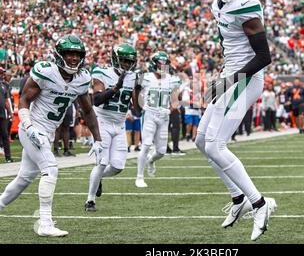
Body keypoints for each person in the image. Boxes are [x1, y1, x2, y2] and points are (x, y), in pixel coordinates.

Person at [195, 0, 276, 242]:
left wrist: (228, 79)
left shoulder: (246, 5)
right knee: (201, 142)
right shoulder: (218, 3)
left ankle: (259, 203)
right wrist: (224, 77)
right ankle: (238, 198)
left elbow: (264, 56)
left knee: (216, 145)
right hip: (231, 76)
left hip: (246, 77)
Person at [0, 34, 103, 237]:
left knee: (24, 178)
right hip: (32, 127)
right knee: (50, 168)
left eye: (77, 54)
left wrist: (98, 139)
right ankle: (45, 223)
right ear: (59, 55)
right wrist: (28, 126)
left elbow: (88, 110)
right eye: (69, 53)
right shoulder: (45, 72)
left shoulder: (82, 78)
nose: (73, 58)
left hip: (48, 131)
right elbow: (24, 100)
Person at [85, 44, 138, 211]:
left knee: (117, 167)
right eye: (123, 61)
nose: (126, 65)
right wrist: (116, 87)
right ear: (115, 59)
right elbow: (97, 99)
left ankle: (98, 178)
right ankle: (90, 200)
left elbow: (136, 104)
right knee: (101, 163)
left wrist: (141, 93)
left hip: (120, 124)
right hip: (102, 122)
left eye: (129, 62)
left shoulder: (134, 77)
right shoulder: (102, 73)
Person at [135, 51, 181, 188]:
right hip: (149, 114)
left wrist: (170, 109)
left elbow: (175, 100)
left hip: (164, 117)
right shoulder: (146, 77)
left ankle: (150, 160)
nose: (163, 67)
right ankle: (139, 177)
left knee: (161, 151)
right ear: (154, 64)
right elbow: (136, 91)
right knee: (146, 144)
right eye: (161, 64)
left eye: (165, 64)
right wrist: (140, 107)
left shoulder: (172, 80)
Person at [0, 67, 13, 163]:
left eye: (2, 73)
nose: (1, 74)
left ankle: (8, 157)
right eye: (1, 72)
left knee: (5, 134)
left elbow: (6, 100)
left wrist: (10, 112)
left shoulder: (4, 85)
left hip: (2, 113)